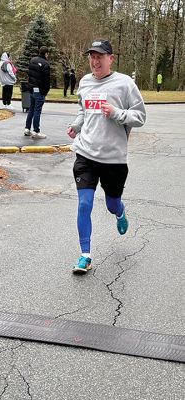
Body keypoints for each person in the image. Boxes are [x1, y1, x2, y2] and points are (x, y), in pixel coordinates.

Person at [67, 39, 146, 274]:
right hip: (86, 153)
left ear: (110, 59)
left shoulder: (125, 84)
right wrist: (76, 126)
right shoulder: (84, 82)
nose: (94, 61)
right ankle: (85, 255)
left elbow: (140, 116)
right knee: (84, 204)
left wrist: (117, 113)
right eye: (91, 56)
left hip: (113, 158)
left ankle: (120, 212)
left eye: (100, 56)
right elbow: (84, 111)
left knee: (111, 204)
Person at [24, 46, 50, 139]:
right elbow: (46, 80)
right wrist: (45, 91)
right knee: (37, 111)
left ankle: (27, 128)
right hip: (40, 90)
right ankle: (36, 131)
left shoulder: (32, 60)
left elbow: (29, 75)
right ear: (46, 53)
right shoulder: (45, 64)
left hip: (32, 88)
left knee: (31, 109)